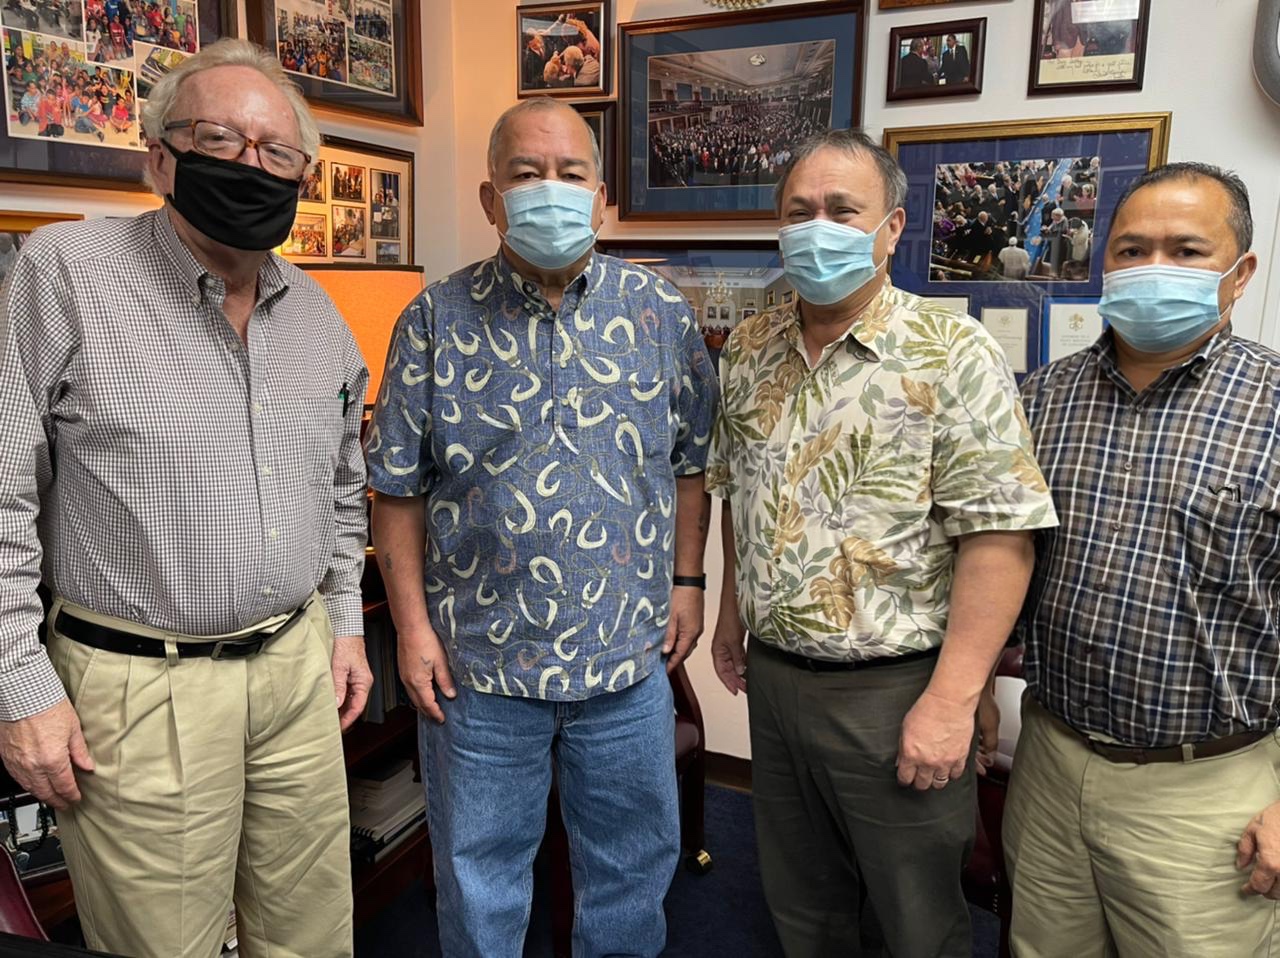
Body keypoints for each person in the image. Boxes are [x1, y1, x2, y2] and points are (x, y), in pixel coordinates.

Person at [0, 38, 371, 958]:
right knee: (165, 944)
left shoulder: (320, 316)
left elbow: (342, 490)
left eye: (277, 152)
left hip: (295, 673)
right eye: (220, 137)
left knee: (313, 935)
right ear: (161, 154)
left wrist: (346, 623)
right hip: (137, 686)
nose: (251, 165)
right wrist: (17, 686)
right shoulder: (65, 275)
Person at [365, 97, 719, 958]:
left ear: (602, 196)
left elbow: (690, 461)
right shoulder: (434, 321)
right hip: (478, 672)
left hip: (625, 666)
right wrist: (410, 629)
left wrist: (687, 581)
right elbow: (396, 489)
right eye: (527, 174)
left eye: (571, 174)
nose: (550, 192)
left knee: (632, 876)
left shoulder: (660, 315)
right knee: (480, 886)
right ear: (492, 199)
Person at [706, 128, 1057, 958]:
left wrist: (950, 698)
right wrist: (730, 612)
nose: (817, 225)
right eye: (800, 211)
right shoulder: (752, 347)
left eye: (842, 209)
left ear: (891, 229)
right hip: (778, 679)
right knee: (802, 903)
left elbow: (1001, 535)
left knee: (916, 920)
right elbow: (739, 492)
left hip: (896, 690)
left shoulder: (952, 351)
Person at [1006, 162, 1277, 958]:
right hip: (1051, 762)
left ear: (1240, 275)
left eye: (1187, 250)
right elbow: (1008, 563)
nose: (1153, 268)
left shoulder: (1272, 408)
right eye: (1130, 250)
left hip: (1209, 793)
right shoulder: (1042, 398)